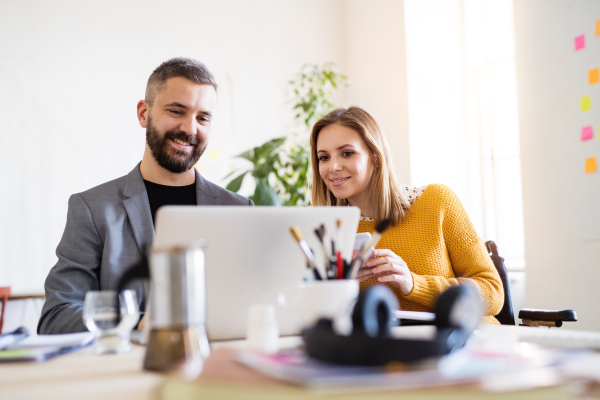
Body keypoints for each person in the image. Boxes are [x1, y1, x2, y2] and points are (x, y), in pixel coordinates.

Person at [38, 58, 253, 334]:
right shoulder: (92, 209)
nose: (190, 129)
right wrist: (136, 323)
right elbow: (56, 317)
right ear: (143, 113)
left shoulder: (237, 209)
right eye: (177, 111)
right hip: (126, 374)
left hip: (216, 371)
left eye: (203, 118)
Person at [310, 106, 503, 324]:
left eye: (347, 153)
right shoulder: (320, 228)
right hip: (382, 352)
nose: (332, 167)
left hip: (461, 344)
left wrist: (414, 283)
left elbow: (493, 292)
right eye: (323, 157)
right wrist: (338, 287)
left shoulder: (437, 202)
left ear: (375, 157)